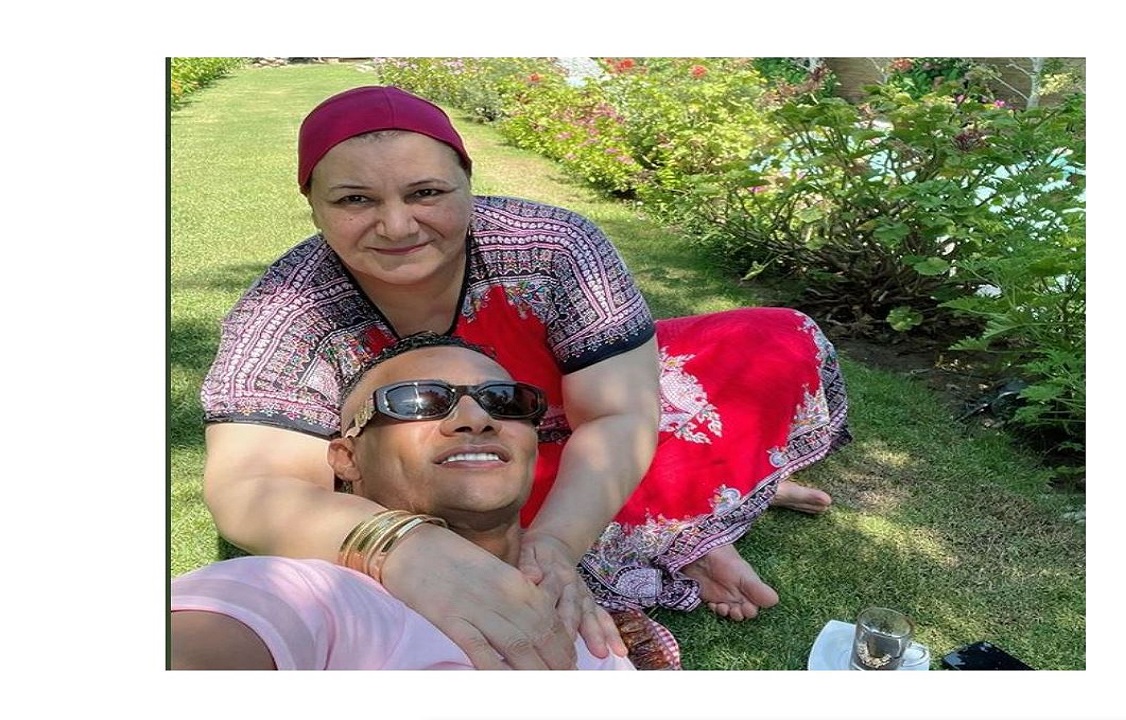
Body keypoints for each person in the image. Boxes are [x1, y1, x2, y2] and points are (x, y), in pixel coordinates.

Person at [197, 84, 852, 670]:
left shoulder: (555, 245)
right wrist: (400, 546)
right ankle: (703, 510)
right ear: (313, 205)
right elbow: (250, 486)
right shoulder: (289, 308)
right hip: (456, 461)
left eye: (426, 193)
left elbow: (618, 414)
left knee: (772, 341)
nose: (396, 226)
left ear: (467, 183)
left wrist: (557, 548)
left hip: (546, 419)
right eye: (354, 200)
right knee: (477, 499)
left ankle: (698, 517)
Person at [172, 334, 678, 669]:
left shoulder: (590, 632)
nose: (475, 419)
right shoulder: (313, 599)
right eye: (417, 400)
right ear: (347, 458)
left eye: (505, 401)